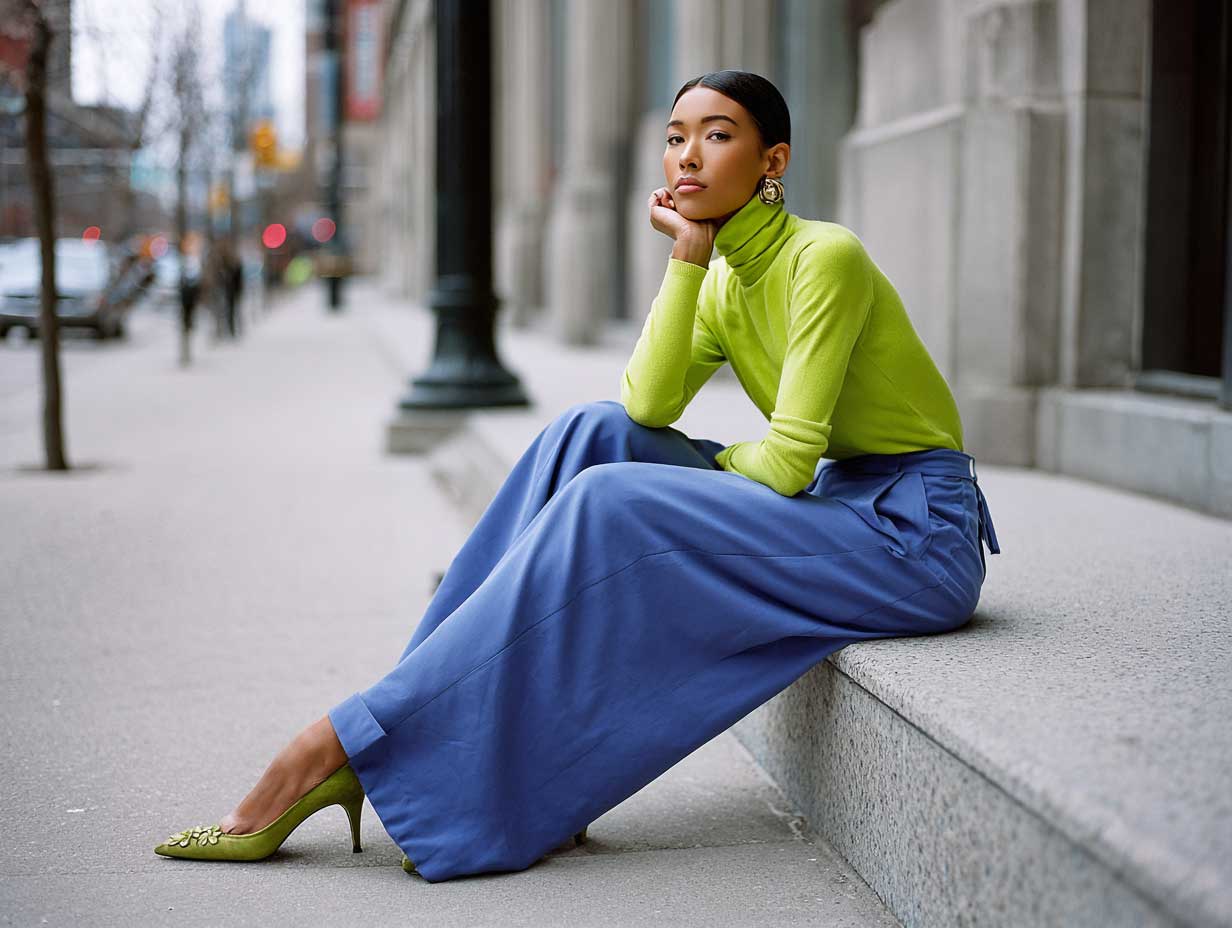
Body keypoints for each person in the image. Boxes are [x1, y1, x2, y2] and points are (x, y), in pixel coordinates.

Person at [153, 70, 1001, 881]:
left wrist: (717, 466)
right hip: (839, 506)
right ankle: (407, 733)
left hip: (912, 534)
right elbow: (642, 405)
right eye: (675, 139)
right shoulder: (720, 276)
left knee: (609, 502)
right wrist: (687, 261)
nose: (688, 158)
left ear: (773, 160)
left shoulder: (827, 258)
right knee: (590, 438)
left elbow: (785, 465)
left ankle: (340, 744)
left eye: (717, 135)